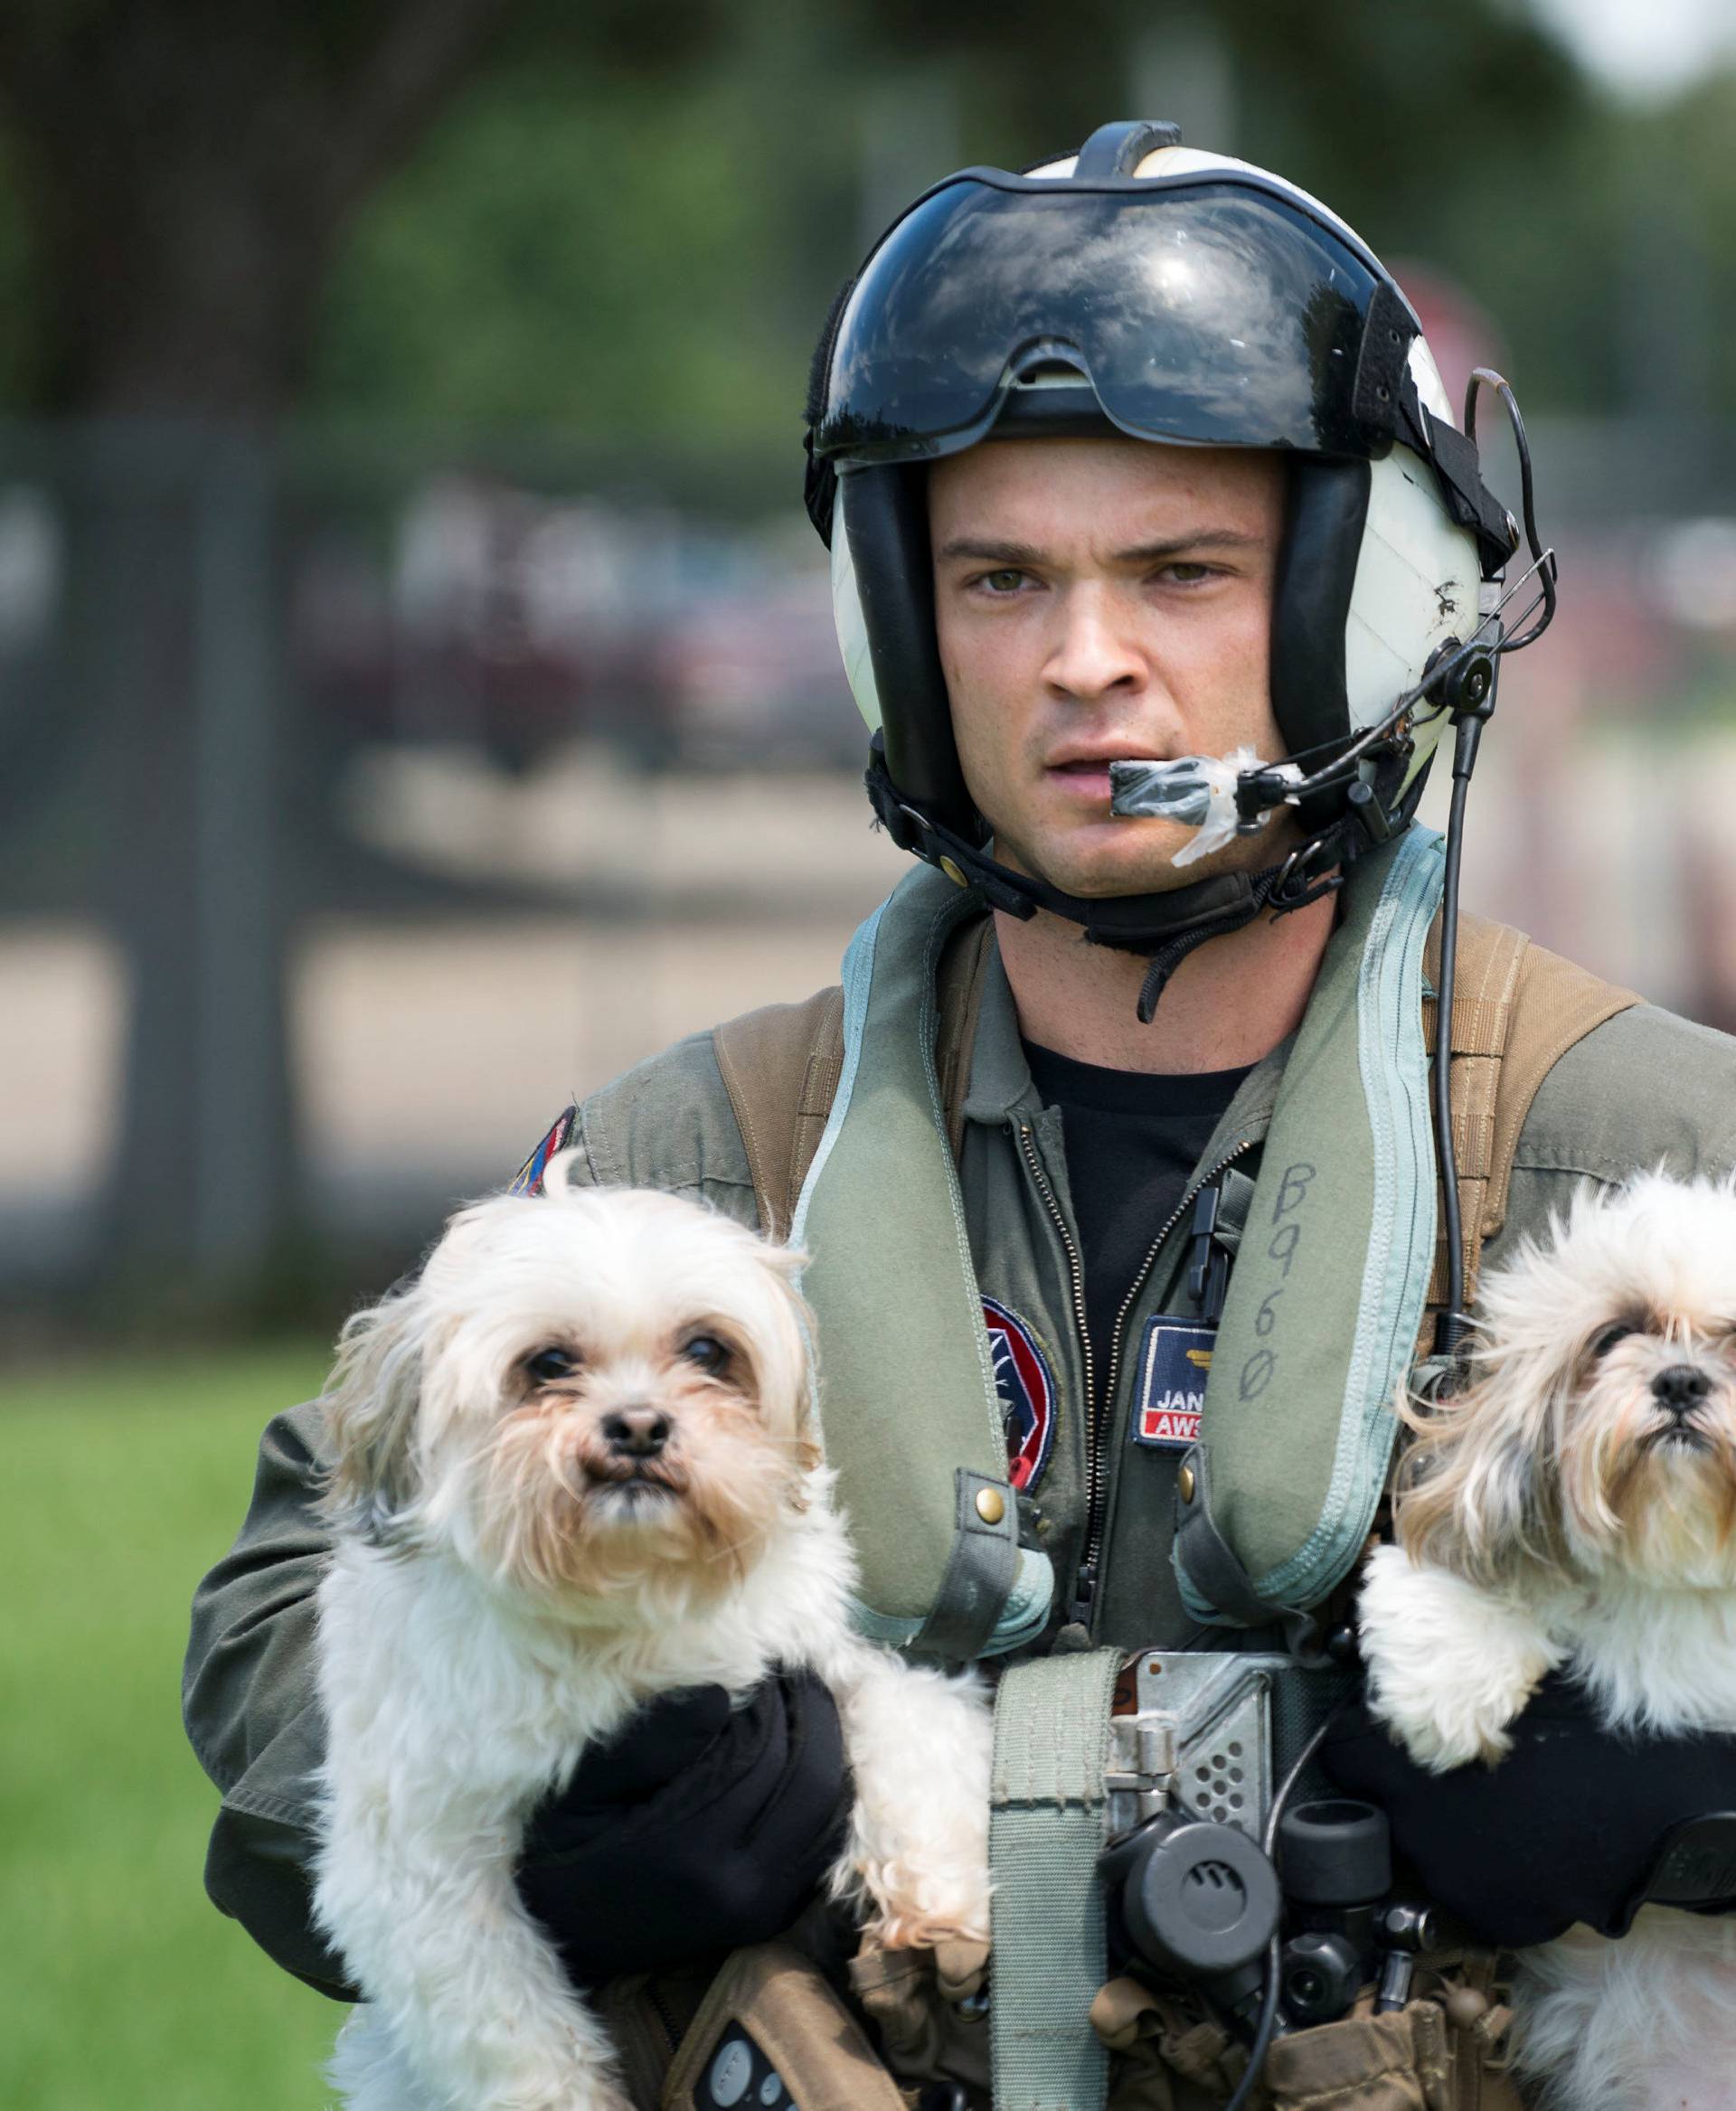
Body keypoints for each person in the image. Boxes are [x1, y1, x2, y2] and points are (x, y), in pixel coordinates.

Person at [184, 123, 1736, 2108]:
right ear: (904, 635)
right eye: (1004, 579)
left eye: (1181, 571)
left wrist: (1686, 1783)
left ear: (1362, 601)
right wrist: (537, 1781)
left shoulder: (1638, 1149)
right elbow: (275, 1603)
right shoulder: (694, 1159)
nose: (1086, 662)